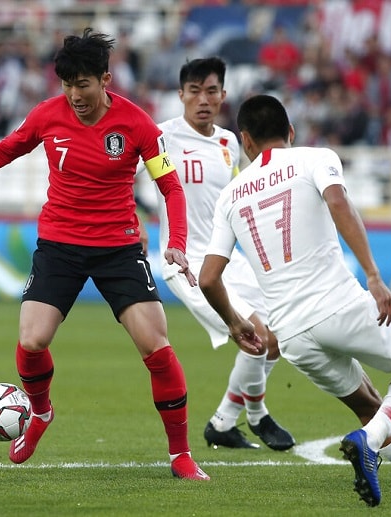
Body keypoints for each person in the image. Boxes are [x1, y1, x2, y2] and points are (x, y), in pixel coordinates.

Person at [0, 29, 208, 480]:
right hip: (60, 244)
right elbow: (5, 150)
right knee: (32, 341)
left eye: (83, 84)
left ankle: (180, 455)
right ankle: (40, 413)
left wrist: (176, 243)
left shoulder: (138, 125)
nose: (75, 94)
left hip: (118, 247)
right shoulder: (47, 116)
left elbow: (169, 184)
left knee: (156, 346)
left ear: (105, 80)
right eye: (67, 84)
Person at [199, 94, 391, 506]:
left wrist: (234, 322)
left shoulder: (230, 197)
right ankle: (368, 443)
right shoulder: (314, 158)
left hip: (291, 334)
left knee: (372, 408)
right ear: (291, 132)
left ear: (244, 141)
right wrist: (374, 276)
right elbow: (338, 203)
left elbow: (209, 277)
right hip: (339, 305)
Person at [137, 57, 294, 451]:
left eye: (211, 91)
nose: (202, 99)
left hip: (227, 258)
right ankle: (255, 415)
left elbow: (251, 190)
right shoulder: (161, 137)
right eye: (194, 91)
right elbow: (123, 177)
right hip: (184, 261)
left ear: (223, 95)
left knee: (280, 334)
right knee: (257, 335)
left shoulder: (228, 143)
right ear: (180, 95)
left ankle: (224, 421)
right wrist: (137, 216)